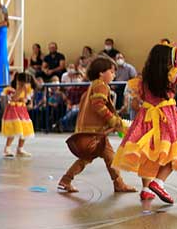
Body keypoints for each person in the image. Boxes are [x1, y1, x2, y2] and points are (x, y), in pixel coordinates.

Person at [113, 43, 177, 204]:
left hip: (146, 116)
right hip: (167, 116)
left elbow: (137, 101)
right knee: (175, 150)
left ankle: (146, 189)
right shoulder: (173, 74)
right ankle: (158, 182)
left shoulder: (143, 79)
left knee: (148, 151)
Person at [57, 56, 136, 193]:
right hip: (95, 134)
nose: (114, 75)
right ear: (101, 73)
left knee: (94, 158)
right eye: (111, 72)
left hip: (90, 133)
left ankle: (66, 180)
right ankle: (118, 183)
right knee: (106, 158)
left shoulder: (92, 86)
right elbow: (98, 105)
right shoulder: (101, 85)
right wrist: (114, 121)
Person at [1, 72, 34, 157]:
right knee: (14, 128)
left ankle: (20, 149)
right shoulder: (10, 89)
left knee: (25, 129)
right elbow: (14, 98)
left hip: (22, 110)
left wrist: (26, 98)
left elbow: (27, 101)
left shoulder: (27, 89)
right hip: (13, 110)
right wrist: (21, 90)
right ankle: (7, 148)